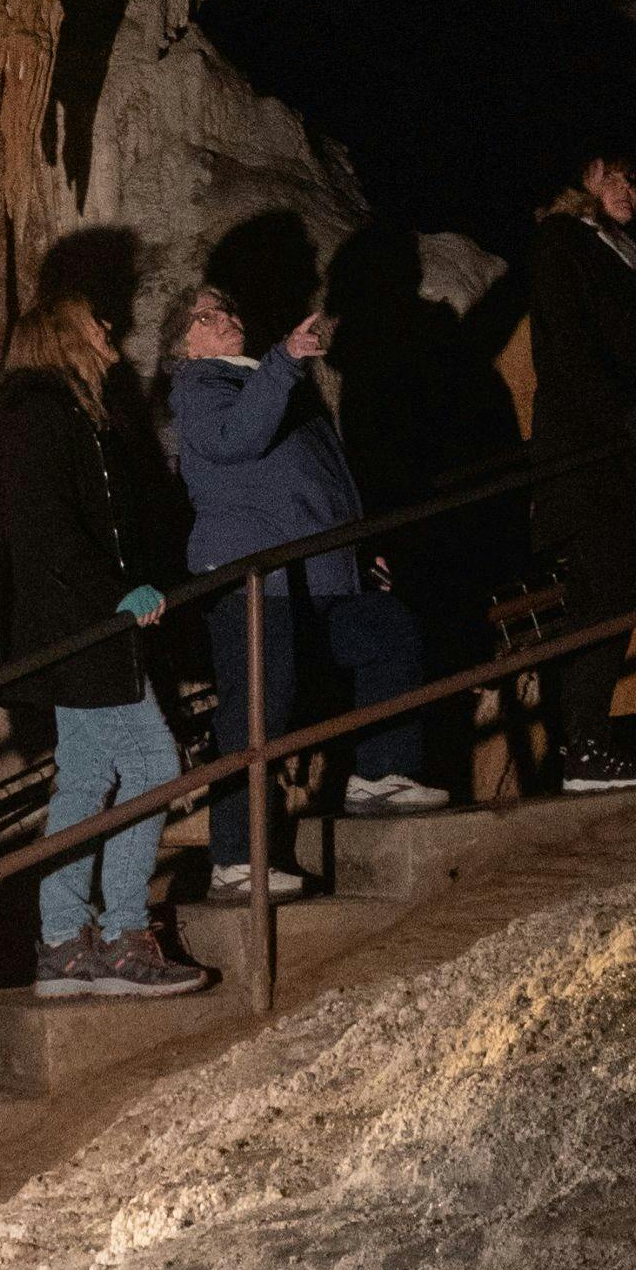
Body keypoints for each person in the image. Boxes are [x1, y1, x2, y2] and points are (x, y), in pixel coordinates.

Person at [164, 274, 445, 896]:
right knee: (256, 715)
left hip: (315, 574)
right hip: (251, 585)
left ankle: (382, 772)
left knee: (388, 631)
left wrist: (353, 552)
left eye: (227, 308)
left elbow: (316, 481)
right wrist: (283, 362)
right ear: (184, 346)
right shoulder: (199, 387)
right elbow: (237, 441)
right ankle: (237, 857)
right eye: (207, 317)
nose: (226, 318)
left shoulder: (265, 379)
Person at [0, 287, 212, 1003]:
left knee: (85, 781)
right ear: (61, 333)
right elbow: (46, 527)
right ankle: (119, 934)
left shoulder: (77, 411)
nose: (109, 326)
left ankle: (60, 940)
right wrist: (114, 593)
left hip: (88, 625)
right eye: (95, 318)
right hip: (83, 628)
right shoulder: (35, 409)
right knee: (152, 764)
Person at [525, 154, 636, 794]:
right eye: (617, 178)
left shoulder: (612, 246)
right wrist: (626, 411)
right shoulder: (562, 240)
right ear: (586, 180)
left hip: (622, 454)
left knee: (614, 592)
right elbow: (566, 347)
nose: (631, 190)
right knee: (603, 595)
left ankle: (584, 746)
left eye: (635, 178)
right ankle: (584, 750)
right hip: (590, 456)